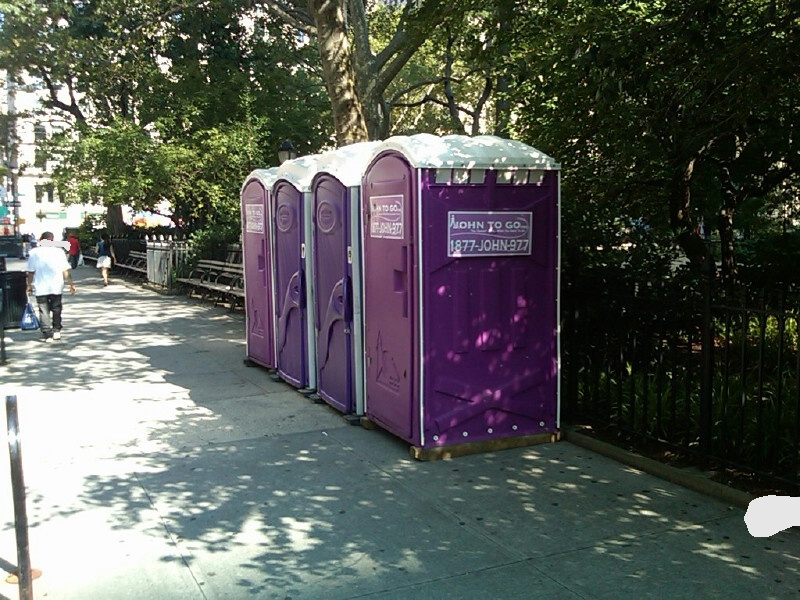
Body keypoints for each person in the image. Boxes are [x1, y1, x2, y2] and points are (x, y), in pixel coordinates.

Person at [25, 231, 76, 342]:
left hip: (41, 285)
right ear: (52, 239)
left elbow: (31, 271)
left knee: (44, 310)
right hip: (56, 285)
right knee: (56, 308)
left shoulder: (34, 252)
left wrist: (28, 285)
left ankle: (47, 333)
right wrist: (70, 284)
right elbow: (65, 270)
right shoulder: (59, 252)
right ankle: (56, 330)